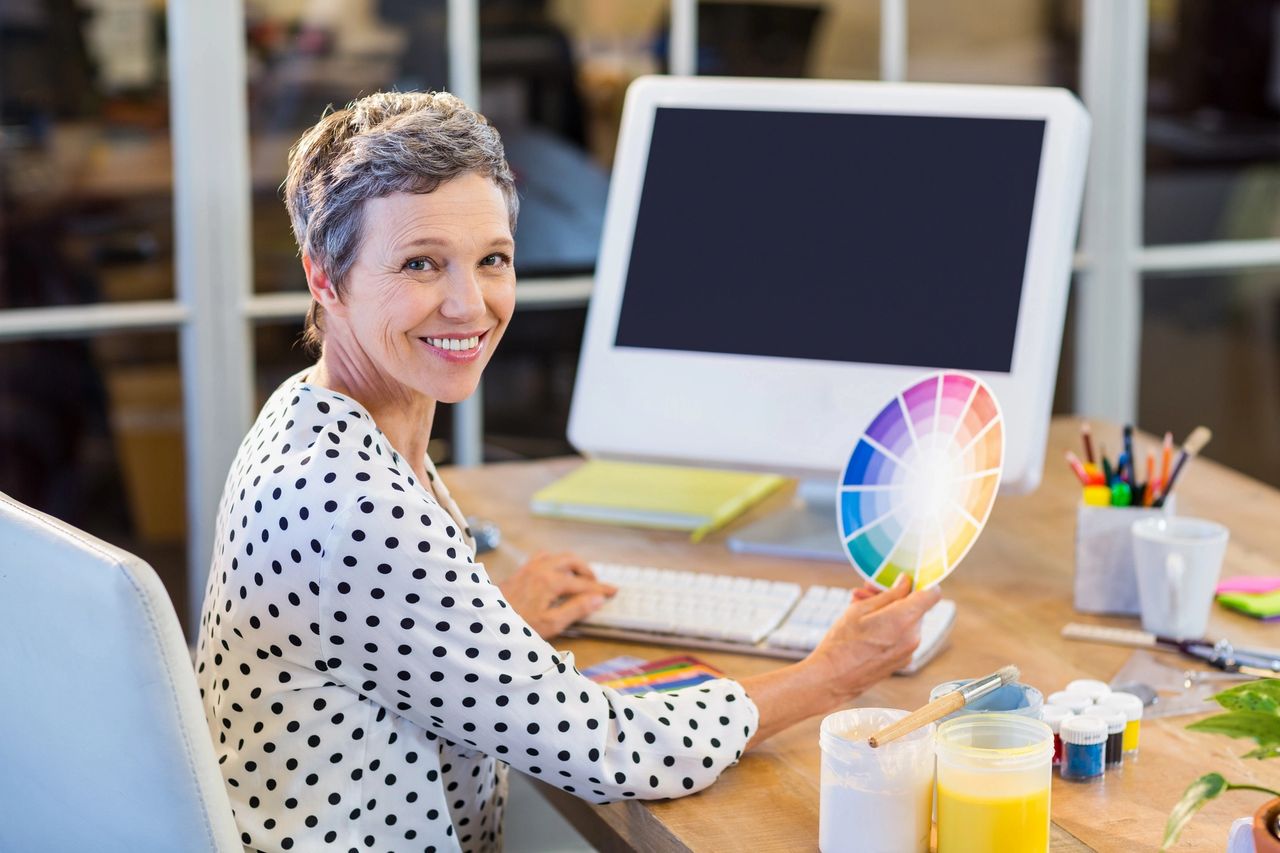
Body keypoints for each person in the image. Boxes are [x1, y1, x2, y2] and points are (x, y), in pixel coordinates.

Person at [194, 90, 941, 853]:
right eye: (421, 264)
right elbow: (608, 748)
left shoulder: (310, 413)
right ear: (326, 278)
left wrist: (487, 624)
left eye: (492, 260)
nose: (468, 303)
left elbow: (381, 627)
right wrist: (830, 676)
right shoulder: (348, 502)